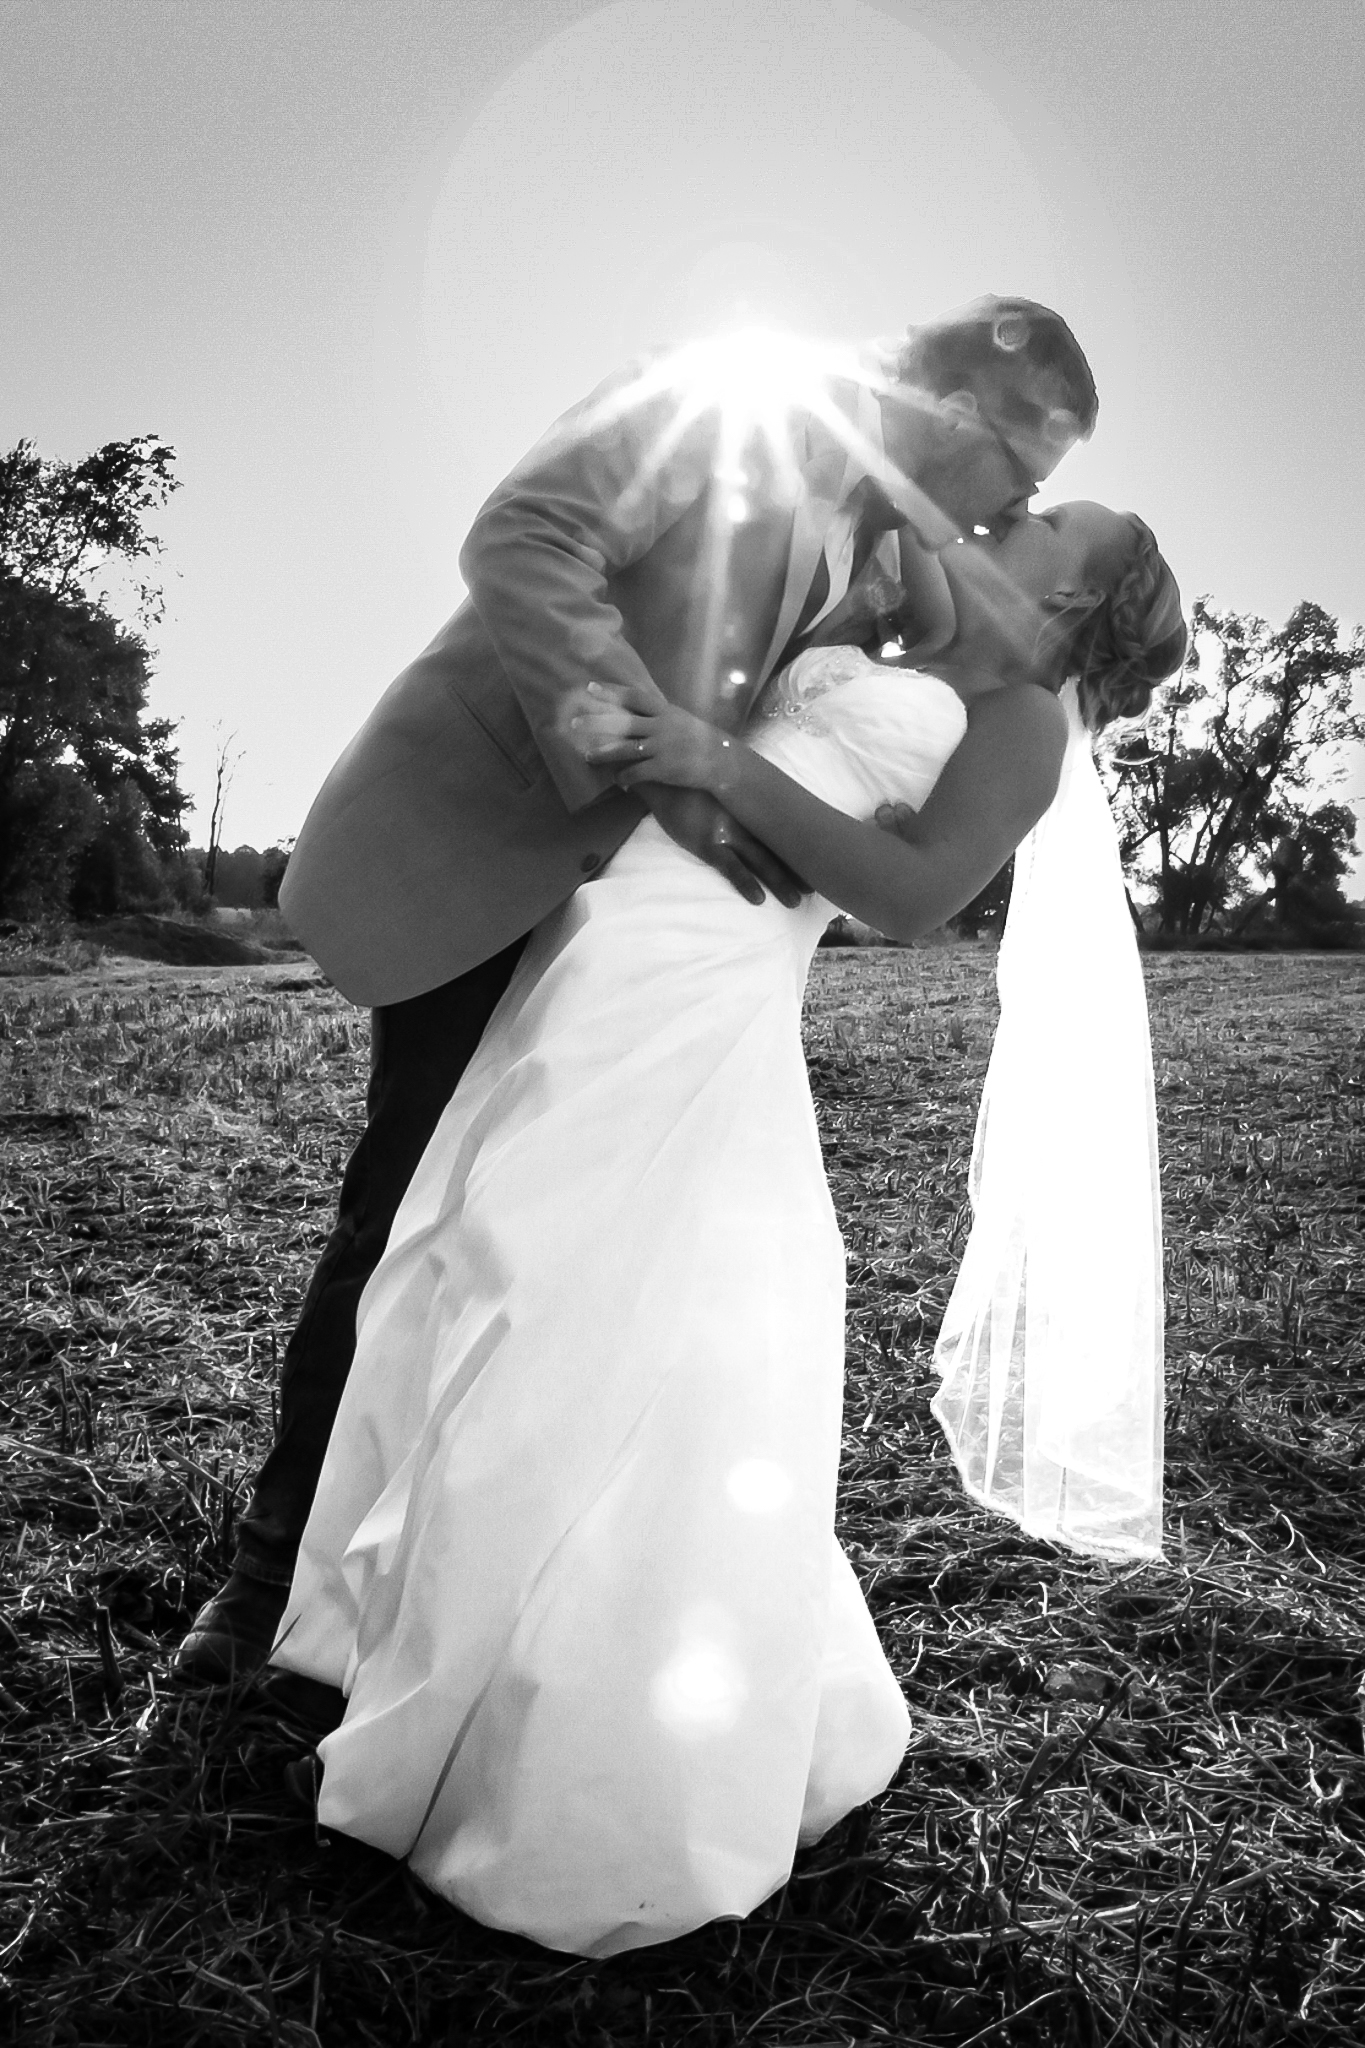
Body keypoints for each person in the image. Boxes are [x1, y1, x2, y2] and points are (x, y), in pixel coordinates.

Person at [265, 497, 1185, 1957]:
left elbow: (908, 896)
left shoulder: (1018, 720)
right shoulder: (882, 627)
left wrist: (719, 765)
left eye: (1057, 516)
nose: (1020, 509)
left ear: (1082, 599)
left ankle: (570, 1756)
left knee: (577, 1315)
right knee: (478, 1272)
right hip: (589, 964)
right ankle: (410, 1653)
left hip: (699, 1003)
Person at [176, 296, 1101, 1684]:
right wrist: (660, 759)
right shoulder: (726, 396)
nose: (1022, 501)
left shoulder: (901, 550)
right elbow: (527, 537)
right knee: (406, 1210)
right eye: (1024, 470)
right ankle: (262, 1588)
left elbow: (962, 687)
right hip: (491, 840)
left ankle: (465, 1571)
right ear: (960, 413)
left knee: (541, 1248)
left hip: (643, 940)